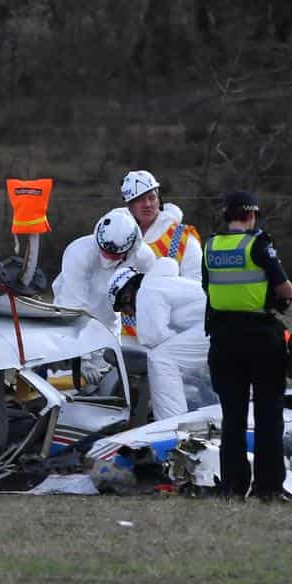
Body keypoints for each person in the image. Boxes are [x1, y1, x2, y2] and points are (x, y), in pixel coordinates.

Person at [202, 190, 292, 501]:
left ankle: (232, 486)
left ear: (226, 216)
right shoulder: (259, 244)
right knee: (269, 414)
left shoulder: (210, 247)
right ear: (251, 215)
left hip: (224, 339)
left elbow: (208, 288)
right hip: (260, 337)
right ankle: (267, 488)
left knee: (233, 417)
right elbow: (284, 287)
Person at [108, 262, 211, 420]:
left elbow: (153, 337)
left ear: (127, 295)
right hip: (221, 324)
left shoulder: (146, 292)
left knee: (161, 358)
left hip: (213, 327)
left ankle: (171, 424)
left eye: (124, 309)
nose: (127, 315)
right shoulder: (163, 284)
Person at [117, 170, 203, 342]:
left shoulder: (183, 237)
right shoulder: (117, 236)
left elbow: (196, 289)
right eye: (140, 199)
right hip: (123, 336)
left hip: (170, 336)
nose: (147, 204)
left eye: (152, 197)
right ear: (129, 205)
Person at [51, 208, 158, 336]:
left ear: (130, 248)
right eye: (104, 252)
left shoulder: (144, 258)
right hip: (71, 320)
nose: (107, 258)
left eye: (114, 255)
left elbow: (150, 295)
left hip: (110, 325)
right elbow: (73, 305)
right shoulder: (78, 253)